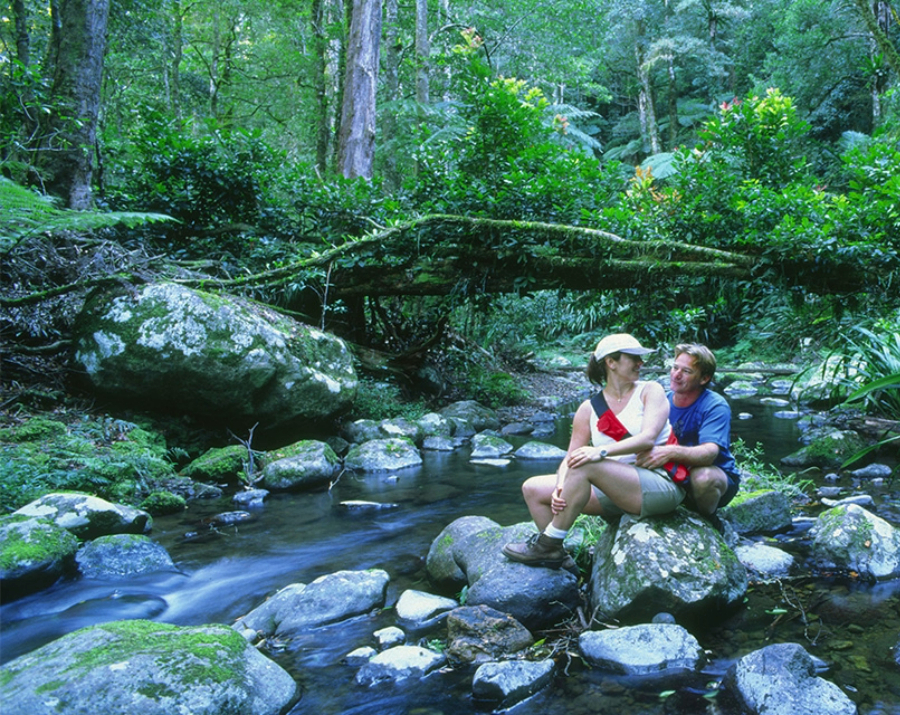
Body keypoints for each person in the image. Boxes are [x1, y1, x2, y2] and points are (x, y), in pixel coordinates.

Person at [502, 333, 686, 569]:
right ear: (611, 362)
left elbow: (648, 438)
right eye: (634, 358)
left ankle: (547, 543)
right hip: (614, 490)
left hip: (659, 484)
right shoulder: (588, 408)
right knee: (533, 488)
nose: (641, 363)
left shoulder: (651, 390)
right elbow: (570, 457)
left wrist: (600, 452)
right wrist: (561, 486)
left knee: (587, 462)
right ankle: (558, 557)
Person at [635, 343, 740, 529]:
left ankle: (709, 521)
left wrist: (668, 452)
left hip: (714, 477)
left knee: (703, 477)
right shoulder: (662, 401)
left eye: (686, 371)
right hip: (672, 473)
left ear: (704, 378)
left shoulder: (715, 405)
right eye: (675, 367)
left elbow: (709, 454)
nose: (676, 375)